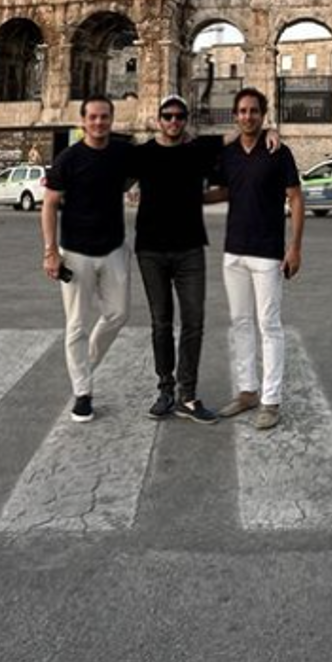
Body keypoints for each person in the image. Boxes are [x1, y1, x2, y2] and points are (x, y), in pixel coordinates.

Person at [128, 94, 226, 423]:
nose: (173, 122)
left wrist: (270, 131)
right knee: (161, 323)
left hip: (190, 249)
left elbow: (239, 141)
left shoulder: (198, 150)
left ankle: (188, 394)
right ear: (158, 119)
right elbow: (108, 174)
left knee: (194, 322)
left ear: (186, 119)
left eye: (179, 116)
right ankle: (165, 390)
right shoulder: (141, 154)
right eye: (167, 116)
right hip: (151, 250)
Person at [215, 88, 304, 432]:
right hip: (233, 250)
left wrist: (294, 247)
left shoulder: (279, 152)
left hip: (268, 252)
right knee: (240, 323)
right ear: (235, 115)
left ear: (263, 114)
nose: (248, 116)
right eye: (242, 111)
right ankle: (247, 391)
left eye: (254, 111)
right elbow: (223, 190)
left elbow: (295, 199)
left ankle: (271, 399)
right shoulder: (230, 153)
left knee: (269, 325)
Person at [41, 94, 133, 422]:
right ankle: (83, 392)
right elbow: (50, 204)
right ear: (83, 121)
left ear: (111, 119)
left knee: (119, 313)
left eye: (104, 117)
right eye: (93, 117)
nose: (98, 122)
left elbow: (158, 157)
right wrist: (51, 252)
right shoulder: (68, 159)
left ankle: (86, 363)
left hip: (113, 248)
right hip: (76, 251)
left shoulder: (123, 152)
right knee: (76, 324)